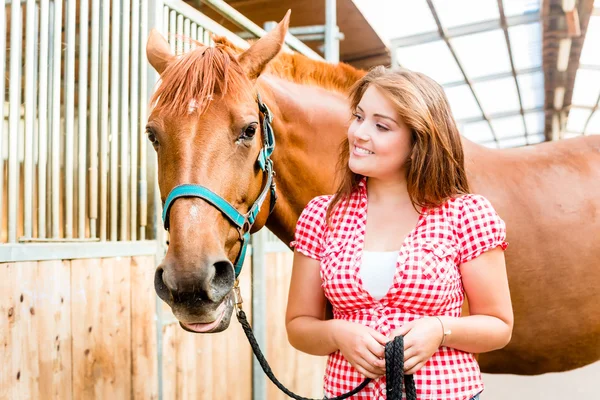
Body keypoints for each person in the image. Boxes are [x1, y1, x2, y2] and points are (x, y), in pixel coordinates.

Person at [286, 66, 513, 400]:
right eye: (358, 116)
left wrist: (440, 330)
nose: (359, 133)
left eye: (381, 126)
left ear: (418, 140)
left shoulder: (466, 214)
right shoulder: (322, 215)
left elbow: (499, 325)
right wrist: (336, 333)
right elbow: (298, 325)